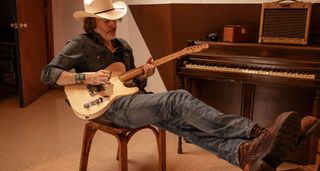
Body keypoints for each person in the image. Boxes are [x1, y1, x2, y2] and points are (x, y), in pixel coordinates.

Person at [41, 0, 320, 170]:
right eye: (107, 21)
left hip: (131, 100)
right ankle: (258, 132)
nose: (114, 25)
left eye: (116, 20)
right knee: (177, 99)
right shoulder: (79, 44)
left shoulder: (123, 46)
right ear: (92, 22)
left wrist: (144, 73)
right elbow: (48, 74)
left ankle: (243, 155)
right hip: (107, 109)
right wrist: (85, 77)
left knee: (184, 123)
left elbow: (131, 83)